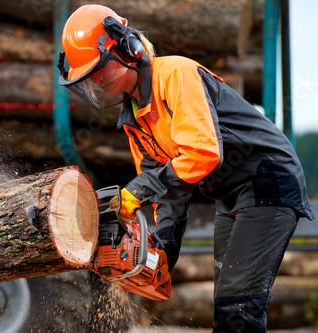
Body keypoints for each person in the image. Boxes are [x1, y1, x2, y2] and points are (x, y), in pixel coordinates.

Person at [57, 4, 315, 333]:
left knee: (239, 305)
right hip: (231, 196)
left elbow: (204, 153)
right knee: (228, 305)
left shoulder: (176, 76)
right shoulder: (135, 120)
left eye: (99, 68)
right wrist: (163, 251)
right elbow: (169, 193)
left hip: (267, 180)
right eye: (87, 76)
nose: (96, 79)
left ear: (126, 48)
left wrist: (136, 190)